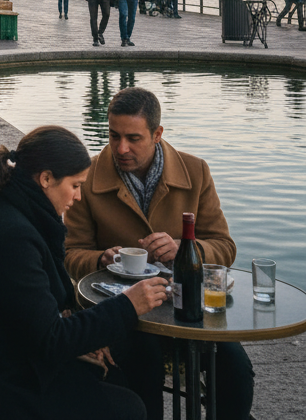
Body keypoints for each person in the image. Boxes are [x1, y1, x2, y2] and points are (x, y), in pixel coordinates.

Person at [0, 125, 166, 420]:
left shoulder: (2, 207)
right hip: (1, 383)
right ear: (45, 179)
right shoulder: (12, 234)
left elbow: (29, 312)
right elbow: (51, 341)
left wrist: (81, 329)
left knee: (135, 357)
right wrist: (128, 305)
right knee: (129, 405)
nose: (79, 197)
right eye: (75, 185)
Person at [64, 87, 251, 420]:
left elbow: (225, 246)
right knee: (140, 365)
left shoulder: (196, 172)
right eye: (113, 135)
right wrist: (100, 259)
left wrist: (185, 249)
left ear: (157, 134)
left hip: (185, 309)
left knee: (236, 369)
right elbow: (70, 254)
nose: (121, 148)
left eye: (133, 138)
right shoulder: (88, 178)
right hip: (121, 315)